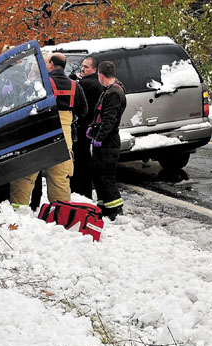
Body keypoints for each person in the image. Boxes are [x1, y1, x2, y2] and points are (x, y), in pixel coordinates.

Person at [11, 52, 87, 208]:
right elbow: (84, 111)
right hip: (63, 135)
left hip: (39, 132)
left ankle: (17, 215)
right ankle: (62, 215)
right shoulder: (75, 86)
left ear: (51, 65)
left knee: (26, 175)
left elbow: (23, 105)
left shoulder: (40, 84)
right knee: (59, 178)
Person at [88, 60, 126, 220]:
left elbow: (109, 119)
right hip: (104, 140)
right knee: (98, 175)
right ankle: (104, 206)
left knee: (105, 176)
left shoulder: (114, 94)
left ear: (101, 75)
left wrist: (100, 137)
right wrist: (92, 127)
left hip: (108, 142)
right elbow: (100, 115)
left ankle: (115, 209)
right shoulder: (108, 91)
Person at [70, 56, 104, 199]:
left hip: (82, 128)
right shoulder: (97, 84)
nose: (82, 69)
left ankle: (80, 193)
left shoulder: (86, 84)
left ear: (95, 70)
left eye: (86, 67)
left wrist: (72, 78)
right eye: (82, 66)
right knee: (85, 161)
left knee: (79, 162)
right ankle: (86, 192)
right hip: (90, 128)